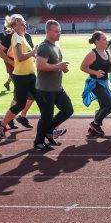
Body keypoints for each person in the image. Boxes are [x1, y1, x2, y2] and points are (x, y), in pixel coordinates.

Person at [0, 15, 38, 138]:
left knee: (24, 98)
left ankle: (15, 117)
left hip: (27, 71)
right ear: (14, 25)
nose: (24, 25)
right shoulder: (11, 36)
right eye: (21, 23)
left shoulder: (26, 36)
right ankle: (11, 119)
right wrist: (12, 62)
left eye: (24, 23)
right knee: (21, 98)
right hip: (17, 71)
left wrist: (33, 57)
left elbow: (26, 52)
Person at [34, 19, 73, 152]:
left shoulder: (56, 45)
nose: (59, 33)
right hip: (45, 89)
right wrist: (58, 66)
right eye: (56, 31)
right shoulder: (44, 46)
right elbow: (40, 65)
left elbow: (56, 65)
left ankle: (49, 131)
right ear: (48, 31)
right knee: (46, 116)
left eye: (60, 31)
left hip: (56, 87)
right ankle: (39, 142)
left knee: (68, 109)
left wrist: (62, 68)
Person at [80, 30, 111, 136]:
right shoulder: (92, 53)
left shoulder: (106, 52)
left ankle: (93, 130)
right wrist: (95, 73)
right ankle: (96, 123)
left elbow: (108, 70)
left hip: (104, 83)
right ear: (97, 41)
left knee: (103, 106)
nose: (106, 41)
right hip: (95, 84)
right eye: (104, 39)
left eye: (106, 39)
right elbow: (82, 67)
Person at [0, 19, 13, 91]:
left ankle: (7, 83)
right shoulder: (0, 35)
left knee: (14, 71)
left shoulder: (10, 35)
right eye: (7, 30)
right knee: (12, 71)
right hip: (6, 55)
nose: (8, 32)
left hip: (12, 55)